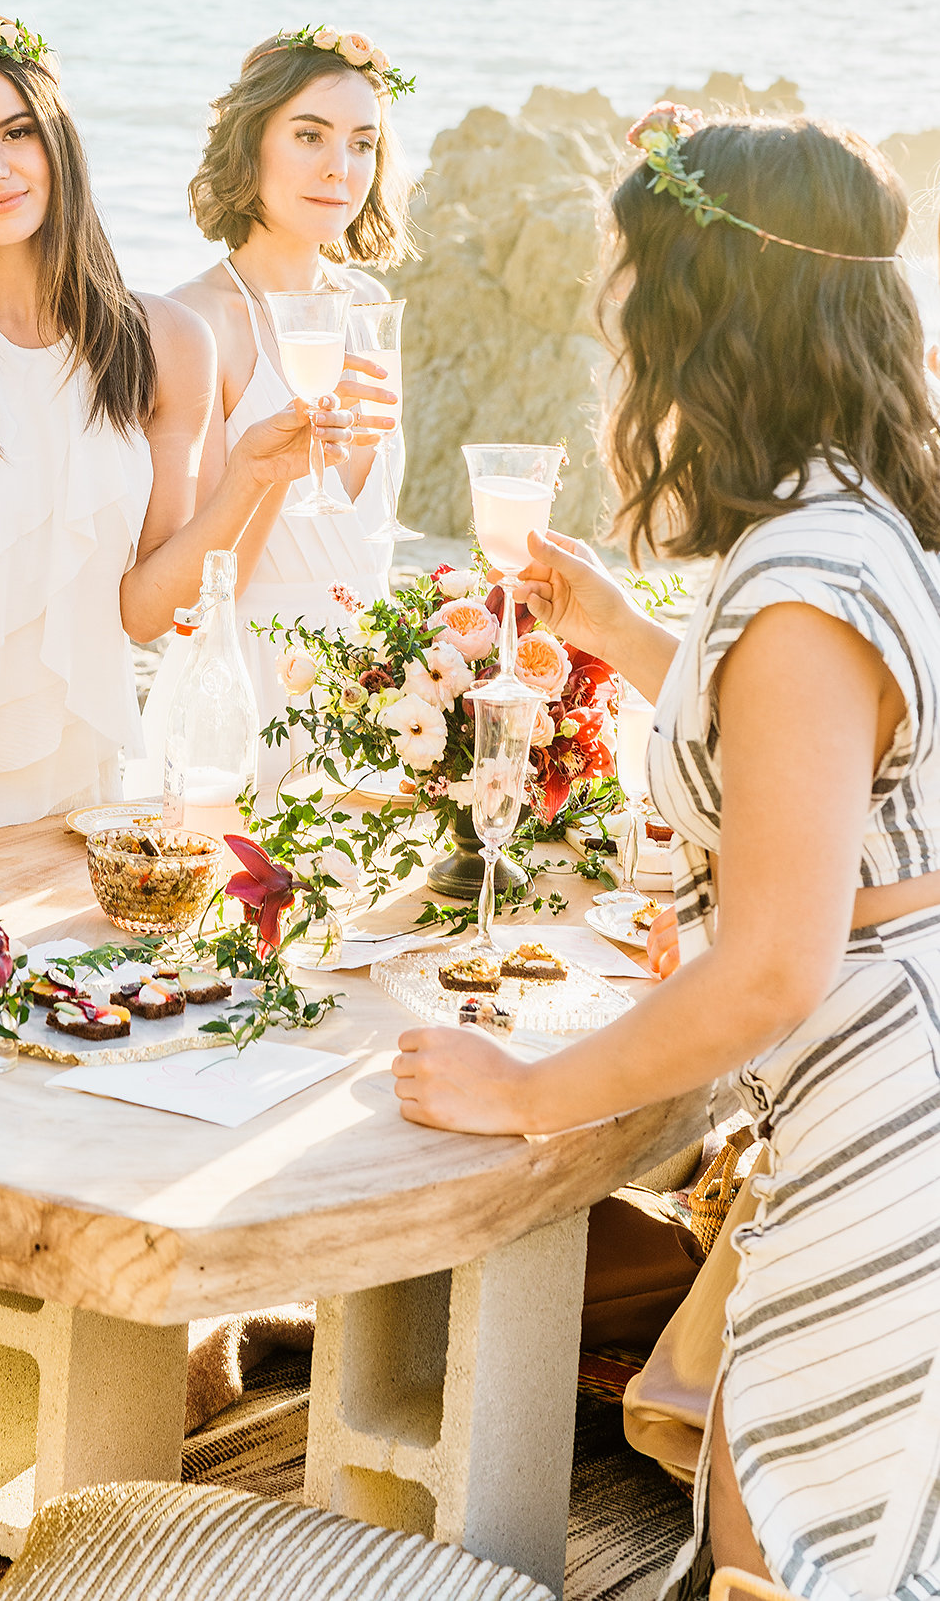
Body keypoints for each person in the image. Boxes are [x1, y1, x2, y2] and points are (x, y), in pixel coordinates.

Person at [395, 105, 940, 1601]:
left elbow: (774, 960)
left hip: (886, 1105)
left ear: (710, 319)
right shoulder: (851, 512)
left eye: (630, 285)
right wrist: (630, 641)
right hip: (891, 1061)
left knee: (798, 1535)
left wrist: (525, 1099)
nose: (611, 321)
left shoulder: (802, 584)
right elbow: (826, 775)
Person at [0, 14, 366, 878]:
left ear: (61, 144)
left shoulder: (167, 342)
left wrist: (253, 476)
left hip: (79, 801)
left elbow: (145, 614)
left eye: (17, 133)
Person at [140, 24, 408, 795]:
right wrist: (270, 472)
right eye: (309, 135)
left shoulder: (369, 308)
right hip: (247, 693)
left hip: (374, 694)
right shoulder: (193, 322)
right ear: (251, 144)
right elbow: (185, 597)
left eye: (363, 142)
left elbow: (372, 554)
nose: (339, 166)